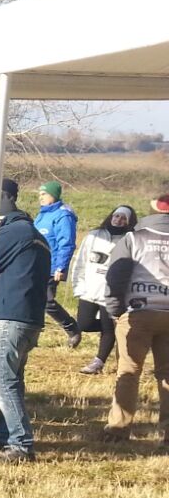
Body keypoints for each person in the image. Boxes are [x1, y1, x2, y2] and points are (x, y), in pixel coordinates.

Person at [0, 194, 52, 462]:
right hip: (29, 318)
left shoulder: (13, 232)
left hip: (9, 317)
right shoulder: (36, 235)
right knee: (13, 381)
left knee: (2, 384)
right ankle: (3, 435)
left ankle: (21, 444)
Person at [102, 190, 169, 446]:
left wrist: (115, 310)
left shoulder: (133, 238)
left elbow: (115, 275)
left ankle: (118, 429)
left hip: (137, 311)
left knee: (129, 372)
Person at [74, 206, 137, 375]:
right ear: (111, 216)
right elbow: (81, 262)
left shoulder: (130, 240)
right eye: (116, 216)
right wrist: (79, 286)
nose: (118, 220)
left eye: (123, 218)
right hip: (89, 290)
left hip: (111, 293)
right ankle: (114, 330)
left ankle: (98, 362)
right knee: (84, 324)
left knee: (108, 328)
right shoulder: (94, 235)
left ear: (129, 222)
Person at [33, 180, 81, 347]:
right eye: (39, 194)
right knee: (34, 300)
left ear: (54, 195)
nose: (41, 197)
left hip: (51, 265)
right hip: (36, 264)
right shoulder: (42, 214)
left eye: (44, 194)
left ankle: (72, 328)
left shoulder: (63, 216)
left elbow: (66, 243)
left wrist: (61, 267)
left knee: (47, 301)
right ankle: (33, 335)